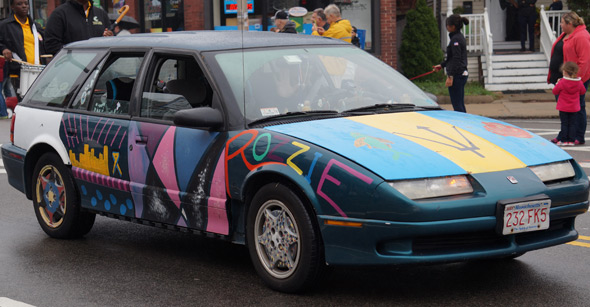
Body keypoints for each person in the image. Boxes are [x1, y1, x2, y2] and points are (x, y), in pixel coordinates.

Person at [552, 12, 590, 145]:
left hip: (575, 79)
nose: (561, 25)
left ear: (570, 24)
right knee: (565, 109)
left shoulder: (581, 36)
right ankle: (564, 135)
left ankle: (578, 136)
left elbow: (584, 61)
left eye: (562, 22)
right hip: (567, 78)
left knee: (578, 108)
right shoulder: (570, 34)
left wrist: (574, 79)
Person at [0, 0, 46, 96]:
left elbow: (45, 43)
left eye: (26, 3)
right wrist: (3, 49)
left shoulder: (35, 26)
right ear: (12, 7)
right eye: (19, 4)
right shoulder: (5, 25)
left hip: (38, 71)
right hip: (18, 73)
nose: (24, 6)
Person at [44, 0, 113, 56]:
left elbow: (112, 41)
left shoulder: (101, 14)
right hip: (73, 69)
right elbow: (51, 45)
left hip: (98, 67)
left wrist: (110, 37)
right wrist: (75, 55)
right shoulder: (59, 14)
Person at [434, 14, 469, 113]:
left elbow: (456, 59)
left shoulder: (456, 39)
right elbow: (452, 58)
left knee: (457, 104)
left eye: (447, 25)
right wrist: (442, 65)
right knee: (459, 103)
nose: (446, 27)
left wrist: (451, 75)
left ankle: (462, 124)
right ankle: (464, 122)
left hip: (458, 75)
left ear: (453, 26)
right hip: (460, 73)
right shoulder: (457, 37)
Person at [552, 62, 586, 146]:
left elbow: (555, 91)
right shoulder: (579, 82)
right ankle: (571, 140)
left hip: (563, 107)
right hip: (574, 107)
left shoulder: (562, 82)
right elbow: (583, 91)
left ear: (565, 72)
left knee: (564, 123)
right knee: (572, 124)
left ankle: (564, 140)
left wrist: (557, 83)